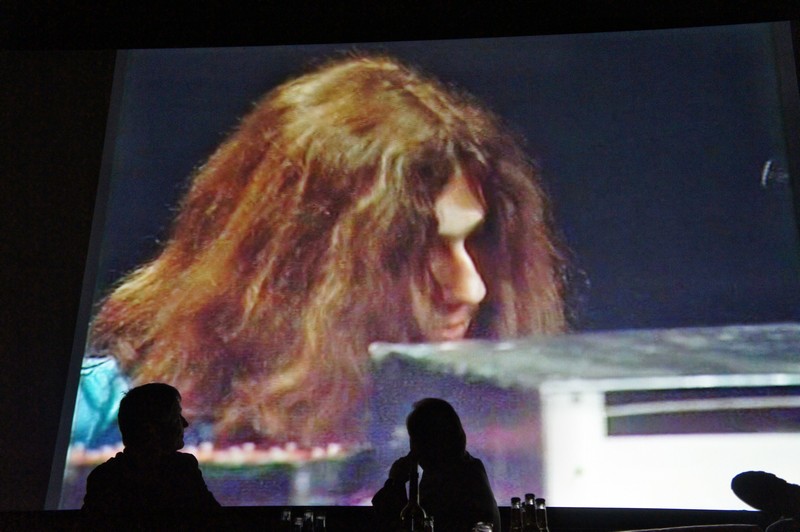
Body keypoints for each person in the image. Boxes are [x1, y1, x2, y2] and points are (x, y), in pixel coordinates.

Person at [77, 53, 570, 449]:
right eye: (416, 250)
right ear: (302, 265)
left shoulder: (497, 436)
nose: (471, 288)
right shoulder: (95, 417)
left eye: (473, 241)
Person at [82, 383, 220, 523]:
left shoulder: (104, 477)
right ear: (151, 429)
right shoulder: (183, 468)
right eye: (175, 417)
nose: (184, 423)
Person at [372, 397, 501, 532]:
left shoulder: (447, 482)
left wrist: (395, 483)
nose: (412, 449)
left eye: (414, 439)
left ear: (426, 443)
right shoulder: (470, 469)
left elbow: (397, 525)